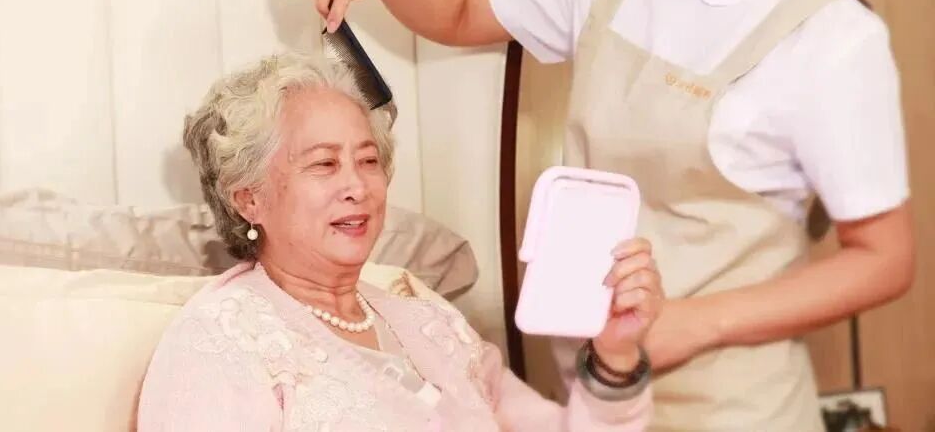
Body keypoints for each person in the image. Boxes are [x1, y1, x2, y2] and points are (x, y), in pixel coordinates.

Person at [286, 0, 915, 430]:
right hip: (595, 395)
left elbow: (884, 259)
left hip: (734, 405)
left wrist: (694, 324)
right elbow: (464, 11)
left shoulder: (831, 38)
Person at [137, 52, 665, 431]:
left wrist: (615, 353)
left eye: (368, 160)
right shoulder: (222, 338)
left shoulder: (429, 319)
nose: (357, 186)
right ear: (249, 199)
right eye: (324, 164)